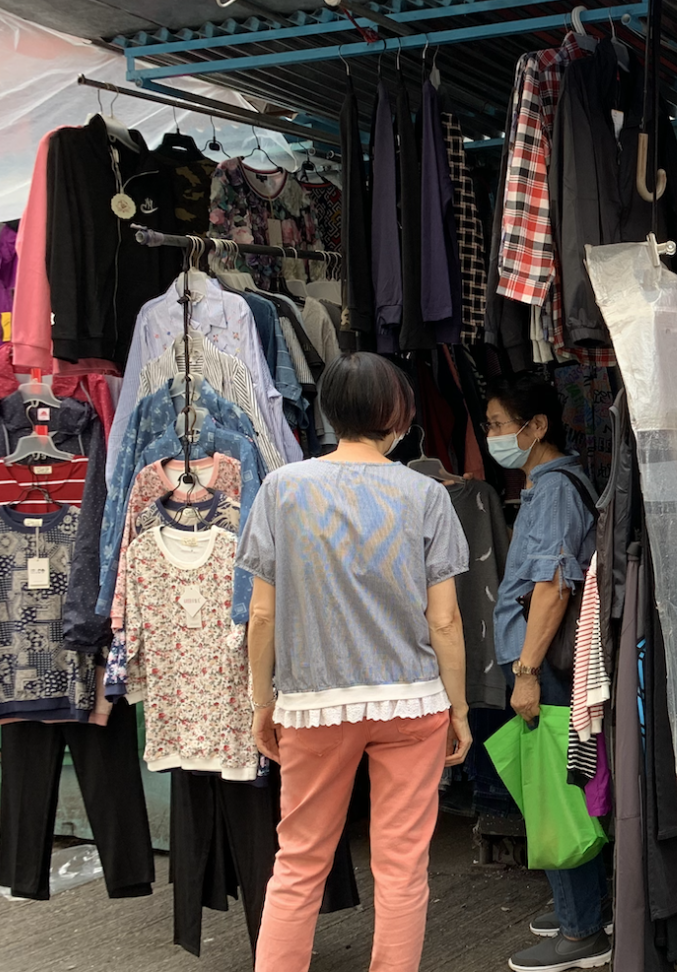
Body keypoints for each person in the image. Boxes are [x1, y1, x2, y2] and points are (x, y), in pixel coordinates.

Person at [243, 353, 472, 972]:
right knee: (402, 866)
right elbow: (445, 620)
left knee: (299, 862)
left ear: (329, 409)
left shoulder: (282, 489)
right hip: (412, 701)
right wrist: (459, 707)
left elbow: (261, 614)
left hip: (314, 702)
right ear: (398, 414)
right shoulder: (426, 495)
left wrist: (262, 701)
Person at [487, 373, 610, 972]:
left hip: (549, 668)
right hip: (552, 666)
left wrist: (528, 671)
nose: (492, 436)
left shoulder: (556, 488)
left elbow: (553, 585)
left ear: (536, 427)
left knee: (555, 791)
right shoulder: (549, 484)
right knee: (565, 783)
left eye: (498, 425)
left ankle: (581, 932)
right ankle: (586, 909)